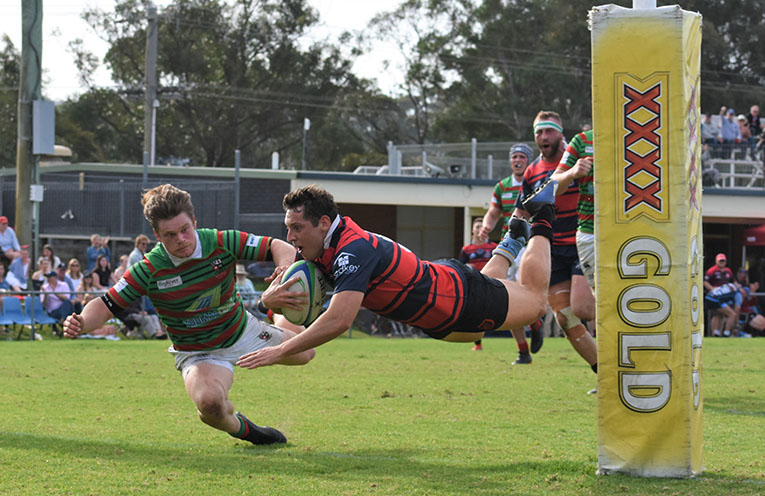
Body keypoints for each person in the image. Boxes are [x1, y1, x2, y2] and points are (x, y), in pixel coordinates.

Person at [63, 184, 316, 446]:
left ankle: (277, 313)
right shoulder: (149, 269)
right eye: (170, 235)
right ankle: (251, 432)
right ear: (157, 235)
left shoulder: (221, 242)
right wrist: (82, 323)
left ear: (194, 222)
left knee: (307, 352)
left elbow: (277, 246)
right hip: (198, 353)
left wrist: (282, 274)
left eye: (185, 230)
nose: (181, 239)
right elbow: (105, 304)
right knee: (211, 406)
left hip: (241, 330)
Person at [236, 182, 555, 370]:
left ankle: (543, 217)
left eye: (296, 228)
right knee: (481, 320)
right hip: (443, 308)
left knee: (536, 301)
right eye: (288, 228)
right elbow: (294, 297)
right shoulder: (323, 247)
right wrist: (267, 300)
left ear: (323, 223)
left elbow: (339, 320)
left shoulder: (352, 251)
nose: (290, 237)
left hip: (460, 300)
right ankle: (514, 233)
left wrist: (279, 351)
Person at [514, 113, 598, 389]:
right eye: (539, 133)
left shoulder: (578, 154)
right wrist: (510, 242)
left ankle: (626, 361)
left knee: (585, 307)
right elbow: (522, 210)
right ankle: (606, 375)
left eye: (549, 131)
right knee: (565, 317)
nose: (544, 137)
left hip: (582, 242)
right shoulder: (532, 171)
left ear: (561, 134)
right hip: (553, 251)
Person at [477, 143, 545, 361]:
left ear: (528, 160)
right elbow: (493, 212)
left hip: (532, 243)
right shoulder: (502, 186)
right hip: (509, 245)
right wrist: (487, 226)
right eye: (514, 157)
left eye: (521, 157)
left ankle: (534, 322)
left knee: (522, 294)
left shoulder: (537, 180)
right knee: (507, 296)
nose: (517, 160)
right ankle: (524, 349)